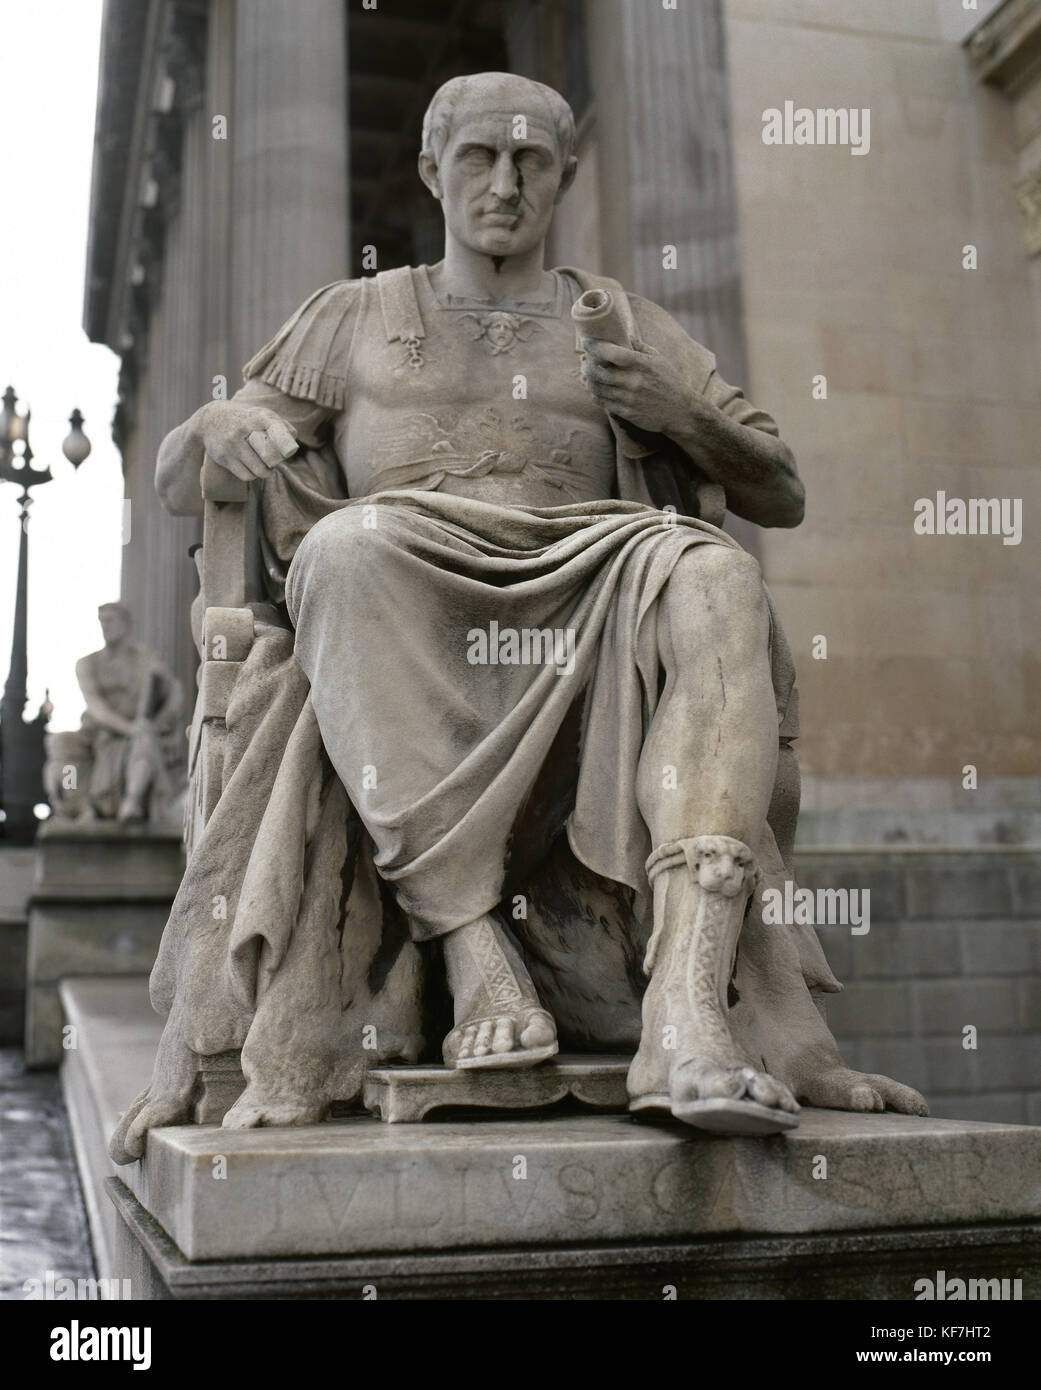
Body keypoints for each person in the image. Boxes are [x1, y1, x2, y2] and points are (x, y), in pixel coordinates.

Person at [112, 72, 924, 1160]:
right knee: (345, 549)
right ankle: (465, 932)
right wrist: (216, 424)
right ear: (430, 173)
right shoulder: (352, 316)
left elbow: (779, 486)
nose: (504, 184)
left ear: (564, 175)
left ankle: (685, 1010)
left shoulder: (620, 320)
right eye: (477, 159)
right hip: (405, 587)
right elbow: (177, 476)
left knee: (719, 577)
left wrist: (677, 411)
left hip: (594, 575)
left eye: (531, 161)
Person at [75, 602, 182, 823]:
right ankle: (76, 804)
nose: (105, 626)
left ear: (126, 625)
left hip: (139, 731)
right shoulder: (87, 663)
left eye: (110, 621)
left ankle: (132, 802)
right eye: (101, 621)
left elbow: (175, 694)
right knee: (61, 749)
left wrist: (161, 721)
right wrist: (130, 728)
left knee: (146, 738)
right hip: (100, 733)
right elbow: (96, 708)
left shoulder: (146, 660)